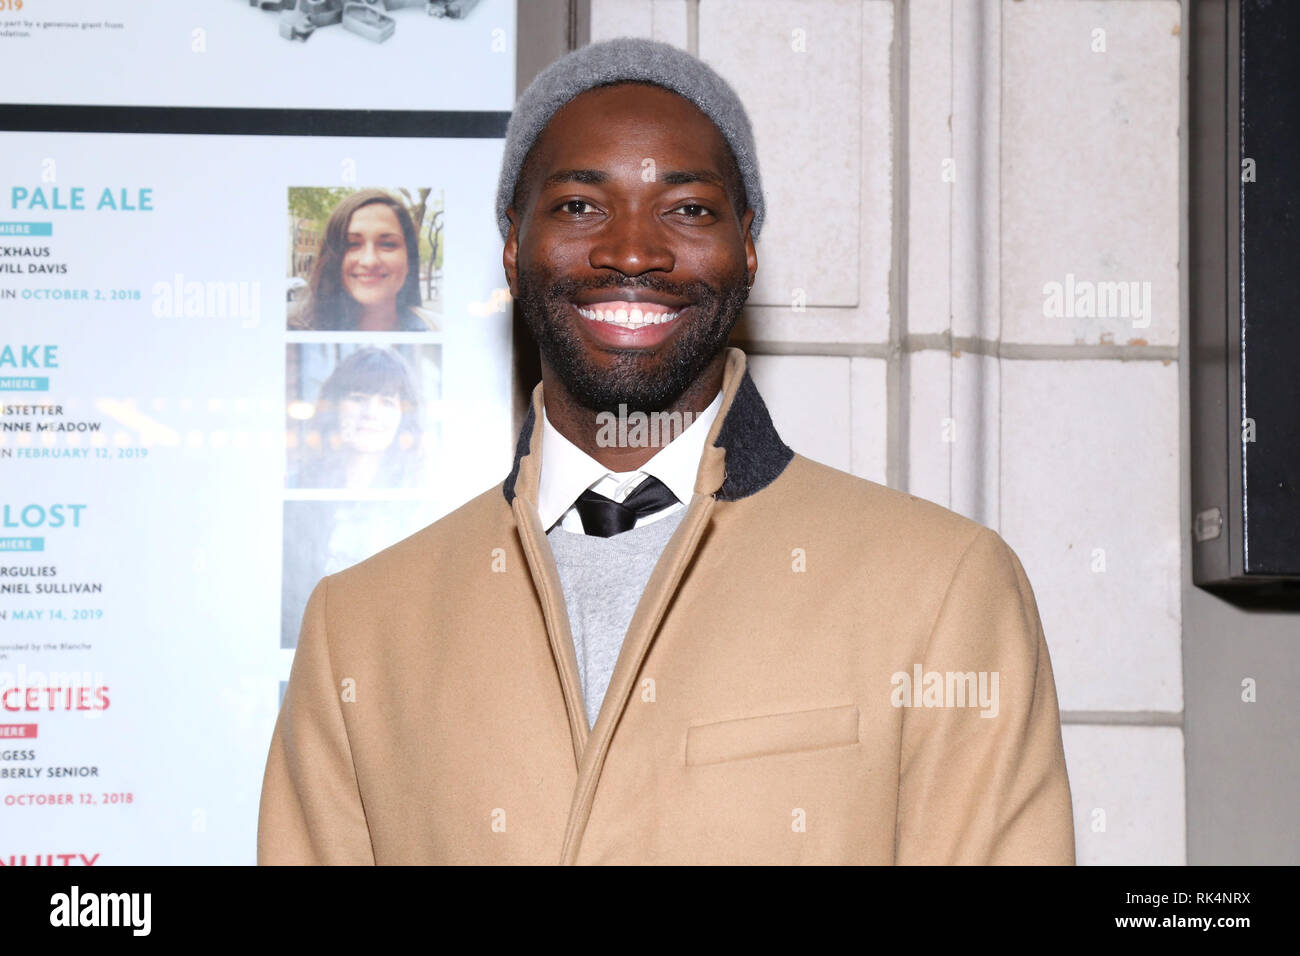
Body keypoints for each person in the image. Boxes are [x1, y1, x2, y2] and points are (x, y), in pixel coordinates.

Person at [259, 37, 1076, 865]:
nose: (633, 252)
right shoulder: (359, 631)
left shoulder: (942, 587)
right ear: (512, 245)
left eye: (688, 208)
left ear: (747, 245)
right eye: (580, 205)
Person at [290, 188, 438, 331]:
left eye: (388, 244)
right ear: (331, 258)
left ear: (409, 259)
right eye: (352, 244)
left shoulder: (441, 330)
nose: (370, 261)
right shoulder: (289, 335)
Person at [289, 346, 426, 490]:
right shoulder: (293, 487)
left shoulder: (422, 490)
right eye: (358, 399)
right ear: (335, 406)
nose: (370, 413)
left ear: (404, 417)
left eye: (387, 402)